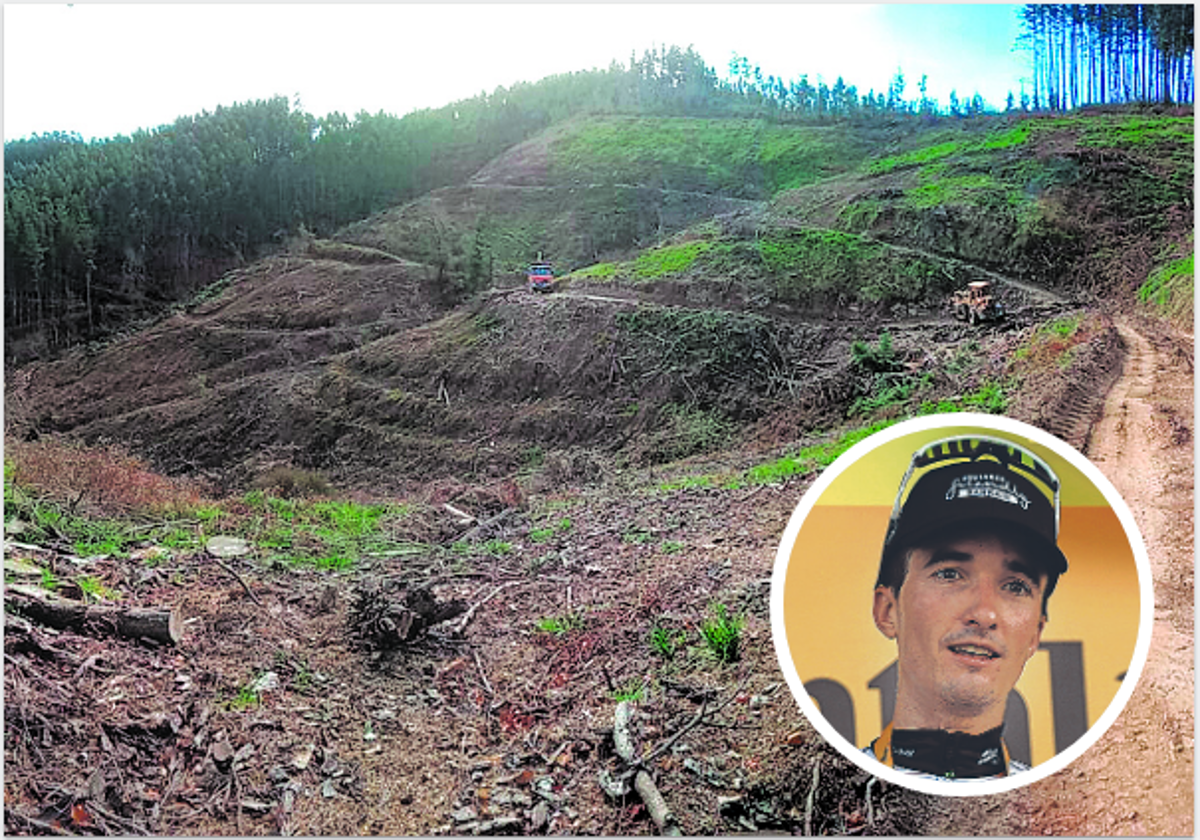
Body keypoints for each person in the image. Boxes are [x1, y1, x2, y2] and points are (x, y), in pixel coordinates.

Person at [866, 435, 1068, 779]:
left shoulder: (1052, 810)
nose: (984, 614)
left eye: (1016, 586)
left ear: (1036, 633)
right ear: (888, 610)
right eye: (950, 574)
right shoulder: (840, 789)